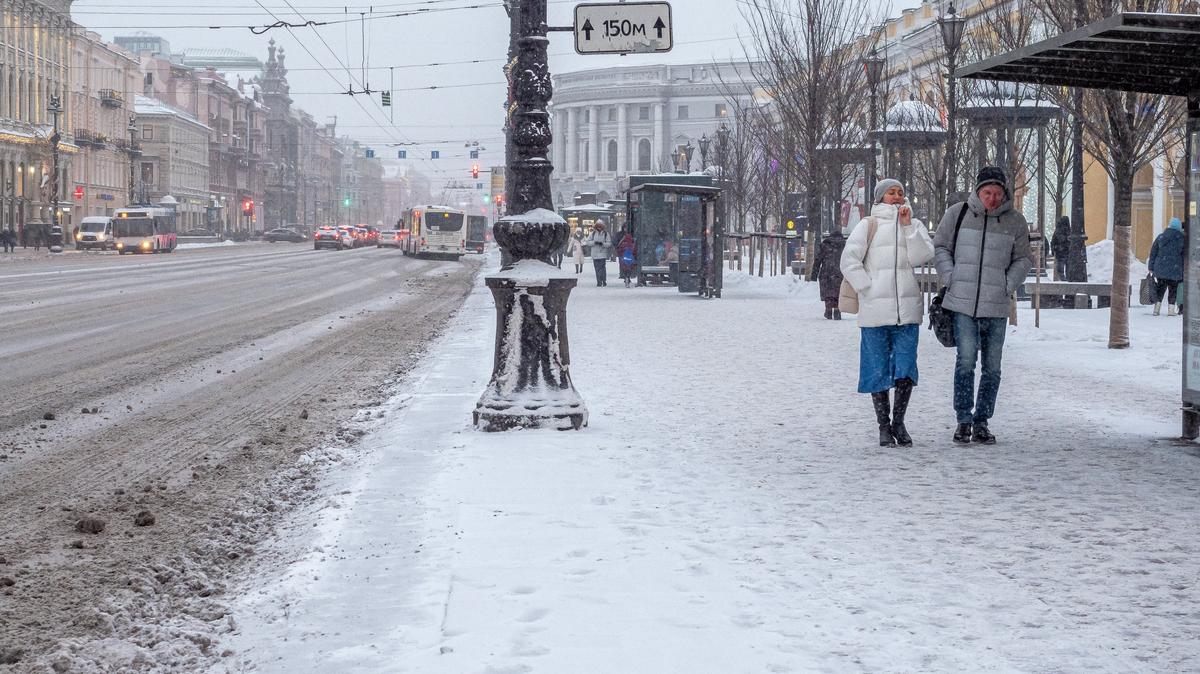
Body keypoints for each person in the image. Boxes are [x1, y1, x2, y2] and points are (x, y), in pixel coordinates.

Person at [933, 166, 1032, 445]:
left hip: (996, 306)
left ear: (1005, 194)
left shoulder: (1015, 221)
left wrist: (1007, 284)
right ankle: (963, 419)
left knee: (993, 367)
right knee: (965, 362)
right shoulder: (958, 214)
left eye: (997, 193)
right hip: (962, 303)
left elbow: (1023, 259)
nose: (992, 198)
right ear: (977, 191)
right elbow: (940, 246)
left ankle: (982, 421)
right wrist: (951, 276)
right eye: (987, 192)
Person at [840, 178, 935, 447]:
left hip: (907, 311)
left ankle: (899, 422)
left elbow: (920, 257)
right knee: (877, 369)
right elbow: (849, 260)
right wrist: (866, 287)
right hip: (875, 311)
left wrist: (907, 228)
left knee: (905, 368)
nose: (896, 197)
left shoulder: (914, 226)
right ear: (880, 198)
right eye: (891, 193)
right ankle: (883, 426)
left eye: (900, 193)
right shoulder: (867, 225)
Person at [1148, 217, 1185, 316]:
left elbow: (1153, 252)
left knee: (1160, 288)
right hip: (1175, 269)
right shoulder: (1182, 239)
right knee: (1173, 290)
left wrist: (1151, 266)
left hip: (1161, 268)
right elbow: (1184, 255)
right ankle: (1171, 310)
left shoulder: (1161, 236)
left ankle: (1156, 309)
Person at [809, 227, 848, 320]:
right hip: (840, 273)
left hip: (826, 273)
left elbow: (818, 260)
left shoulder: (825, 245)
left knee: (828, 293)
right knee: (839, 292)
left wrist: (814, 274)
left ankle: (828, 310)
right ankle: (837, 311)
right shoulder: (845, 246)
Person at [585, 220, 612, 287]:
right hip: (595, 254)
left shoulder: (606, 234)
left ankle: (603, 280)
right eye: (598, 227)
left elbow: (609, 243)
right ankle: (599, 281)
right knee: (597, 269)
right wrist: (594, 242)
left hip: (602, 254)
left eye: (600, 227)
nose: (599, 228)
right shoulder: (593, 233)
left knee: (602, 268)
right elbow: (587, 242)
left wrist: (602, 244)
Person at [1051, 216, 1070, 281]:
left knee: (1061, 269)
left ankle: (1064, 279)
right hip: (1066, 251)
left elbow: (1053, 241)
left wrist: (1054, 249)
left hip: (1061, 251)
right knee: (1067, 267)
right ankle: (1066, 279)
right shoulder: (1069, 230)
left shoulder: (1058, 230)